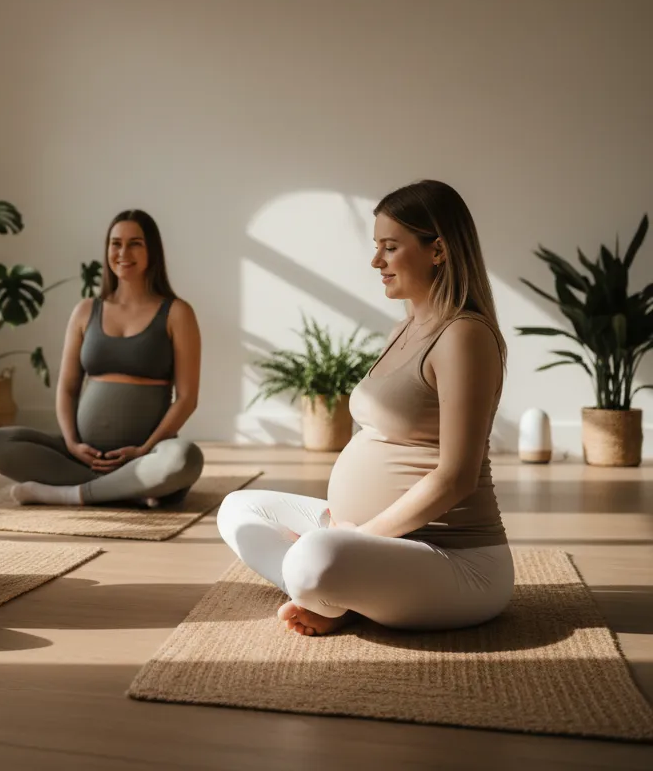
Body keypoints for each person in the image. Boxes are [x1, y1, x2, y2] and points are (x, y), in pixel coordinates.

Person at [217, 180, 512, 636]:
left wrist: (357, 538)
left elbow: (455, 478)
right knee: (239, 509)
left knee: (316, 558)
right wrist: (347, 530)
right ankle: (337, 595)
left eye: (390, 248)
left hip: (449, 557)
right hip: (366, 534)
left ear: (438, 251)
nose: (376, 261)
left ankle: (329, 586)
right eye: (377, 247)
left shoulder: (463, 337)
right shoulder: (406, 327)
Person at [0, 209, 204, 506]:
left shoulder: (177, 312)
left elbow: (187, 397)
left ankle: (72, 493)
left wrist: (145, 450)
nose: (123, 252)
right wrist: (73, 444)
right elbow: (67, 388)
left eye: (135, 243)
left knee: (184, 459)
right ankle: (128, 490)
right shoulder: (86, 311)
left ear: (153, 250)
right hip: (82, 457)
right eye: (116, 243)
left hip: (147, 454)